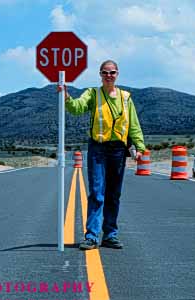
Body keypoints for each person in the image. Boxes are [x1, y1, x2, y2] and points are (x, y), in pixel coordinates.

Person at [59, 60, 146, 250]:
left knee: (113, 194)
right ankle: (91, 236)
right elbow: (77, 107)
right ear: (100, 74)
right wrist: (66, 97)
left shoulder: (125, 98)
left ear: (117, 74)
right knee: (97, 193)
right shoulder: (93, 94)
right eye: (105, 72)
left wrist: (139, 147)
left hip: (118, 151)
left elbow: (133, 125)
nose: (109, 76)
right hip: (98, 149)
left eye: (112, 72)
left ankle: (110, 235)